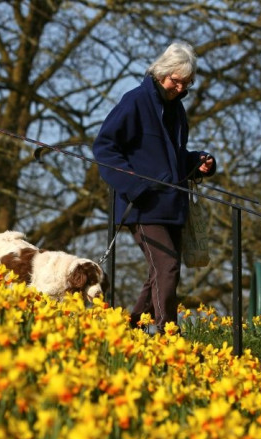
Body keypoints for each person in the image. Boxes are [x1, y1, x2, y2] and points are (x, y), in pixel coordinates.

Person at [92, 41, 216, 335]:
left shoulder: (178, 111)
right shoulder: (134, 101)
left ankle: (131, 331)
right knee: (167, 267)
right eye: (176, 81)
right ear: (162, 72)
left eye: (186, 85)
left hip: (173, 205)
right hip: (143, 205)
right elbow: (105, 148)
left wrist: (197, 162)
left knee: (160, 271)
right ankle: (167, 334)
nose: (179, 88)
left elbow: (172, 161)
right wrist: (134, 185)